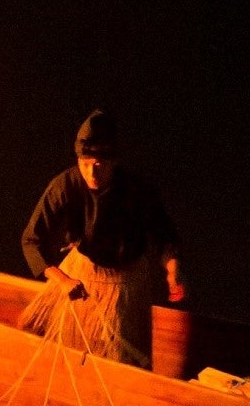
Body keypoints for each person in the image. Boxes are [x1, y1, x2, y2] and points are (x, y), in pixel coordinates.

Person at [18, 110, 184, 367]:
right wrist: (62, 279)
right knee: (41, 334)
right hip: (81, 272)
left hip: (124, 282)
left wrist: (172, 269)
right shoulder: (65, 185)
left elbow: (164, 235)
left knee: (121, 358)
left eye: (98, 165)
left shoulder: (137, 191)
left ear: (113, 162)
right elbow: (31, 240)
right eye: (84, 164)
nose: (91, 174)